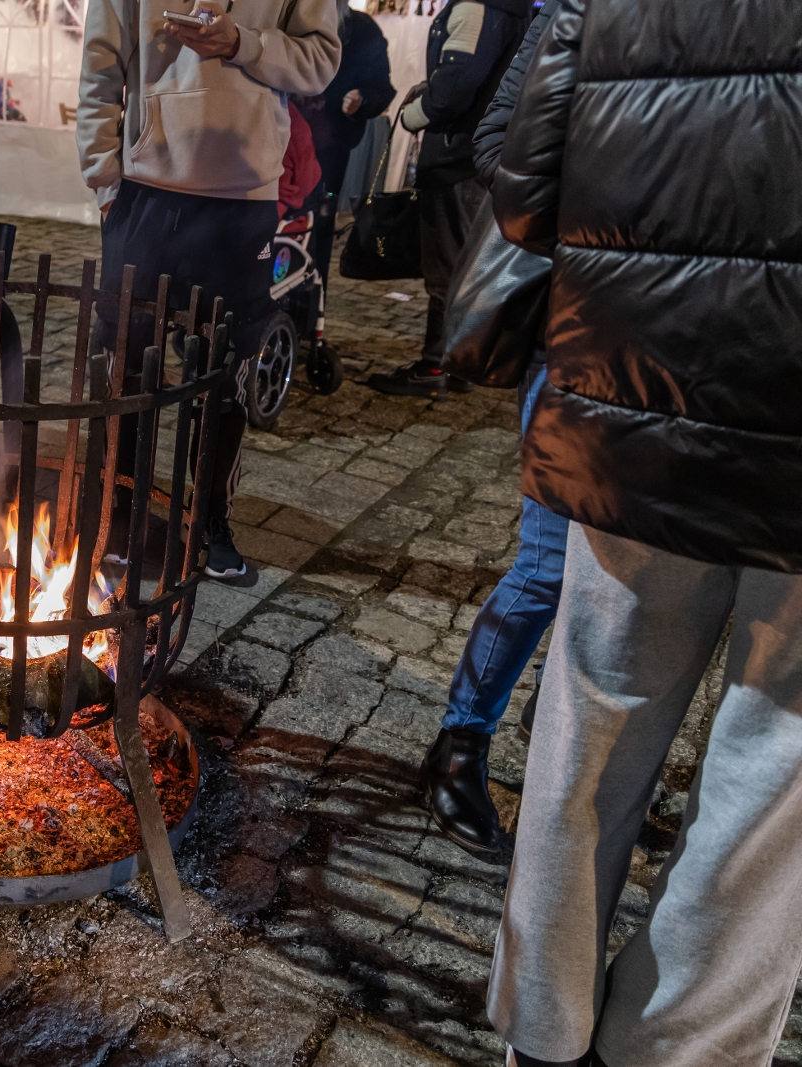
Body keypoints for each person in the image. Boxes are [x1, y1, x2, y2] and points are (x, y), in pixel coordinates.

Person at [484, 1, 802, 1064]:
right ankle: (679, 1045)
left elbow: (520, 192)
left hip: (636, 395)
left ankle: (543, 1018)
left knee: (591, 723)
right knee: (774, 774)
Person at [77, 0, 340, 579]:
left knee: (229, 370)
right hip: (145, 191)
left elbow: (321, 61)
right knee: (126, 362)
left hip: (243, 196)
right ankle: (116, 516)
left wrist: (243, 42)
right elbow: (101, 61)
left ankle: (210, 520)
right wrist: (103, 178)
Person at [418, 2, 558, 862]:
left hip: (717, 357)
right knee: (551, 563)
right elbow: (495, 135)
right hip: (584, 327)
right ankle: (461, 744)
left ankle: (574, 755)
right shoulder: (569, 17)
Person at [364, 0, 528, 399]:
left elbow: (457, 81)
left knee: (448, 268)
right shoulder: (510, 8)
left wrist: (417, 113)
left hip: (457, 157)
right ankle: (458, 363)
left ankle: (434, 365)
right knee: (466, 263)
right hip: (480, 155)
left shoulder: (477, 6)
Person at [297, 2, 395, 286]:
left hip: (327, 151)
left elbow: (381, 88)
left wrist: (361, 100)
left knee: (319, 226)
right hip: (280, 142)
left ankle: (312, 308)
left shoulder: (361, 30)